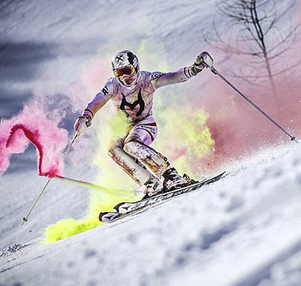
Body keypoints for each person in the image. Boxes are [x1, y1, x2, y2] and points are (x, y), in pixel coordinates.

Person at [74, 49, 210, 197]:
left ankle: (171, 176)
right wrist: (86, 117)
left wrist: (195, 68)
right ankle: (151, 184)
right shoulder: (112, 85)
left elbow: (174, 77)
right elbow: (97, 100)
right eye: (120, 73)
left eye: (128, 70)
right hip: (126, 128)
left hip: (146, 124)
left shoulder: (148, 79)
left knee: (131, 144)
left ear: (136, 66)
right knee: (113, 149)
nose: (125, 77)